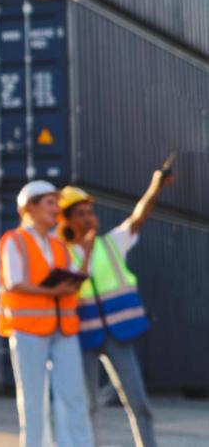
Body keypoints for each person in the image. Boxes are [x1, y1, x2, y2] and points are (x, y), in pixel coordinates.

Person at [59, 165, 176, 447]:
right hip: (83, 338)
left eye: (90, 212)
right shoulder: (61, 256)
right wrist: (84, 249)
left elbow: (138, 217)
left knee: (139, 403)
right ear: (67, 222)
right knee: (87, 406)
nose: (88, 218)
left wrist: (155, 186)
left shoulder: (111, 244)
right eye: (80, 214)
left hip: (118, 335)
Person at [0, 180, 93, 447]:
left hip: (63, 330)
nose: (56, 209)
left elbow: (77, 276)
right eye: (50, 203)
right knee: (33, 401)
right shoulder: (13, 240)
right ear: (30, 207)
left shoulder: (59, 243)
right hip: (28, 331)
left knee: (74, 398)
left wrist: (86, 251)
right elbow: (14, 281)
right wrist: (53, 292)